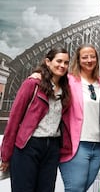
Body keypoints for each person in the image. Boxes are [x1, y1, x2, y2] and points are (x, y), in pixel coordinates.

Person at [0, 47, 71, 192]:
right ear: (48, 62)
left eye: (66, 62)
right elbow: (14, 119)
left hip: (52, 147)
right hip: (29, 145)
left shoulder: (65, 88)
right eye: (58, 61)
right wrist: (5, 155)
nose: (62, 65)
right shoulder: (32, 84)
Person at [59, 44, 100, 192]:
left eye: (92, 56)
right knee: (75, 189)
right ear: (78, 60)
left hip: (98, 146)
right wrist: (38, 74)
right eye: (84, 57)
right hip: (77, 146)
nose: (89, 60)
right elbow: (49, 77)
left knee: (82, 189)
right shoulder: (68, 81)